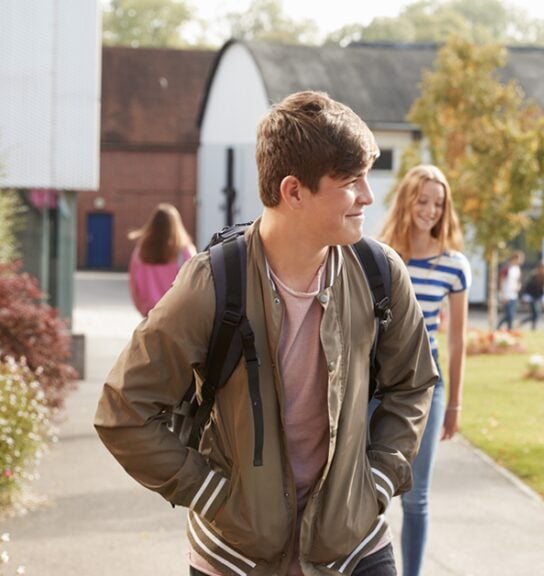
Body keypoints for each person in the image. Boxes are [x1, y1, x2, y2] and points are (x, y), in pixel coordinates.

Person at [95, 91, 438, 576]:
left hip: (352, 545)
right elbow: (122, 412)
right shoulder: (211, 284)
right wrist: (212, 493)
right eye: (351, 182)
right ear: (293, 191)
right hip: (235, 555)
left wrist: (378, 480)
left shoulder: (380, 272)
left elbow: (413, 384)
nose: (369, 195)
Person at [377, 164, 470, 576]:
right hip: (377, 386)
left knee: (415, 497)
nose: (430, 210)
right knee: (368, 490)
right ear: (407, 199)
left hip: (428, 389)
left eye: (438, 203)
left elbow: (456, 341)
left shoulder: (454, 265)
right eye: (423, 200)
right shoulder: (380, 255)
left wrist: (455, 406)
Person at [127, 203, 197, 317]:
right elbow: (194, 284)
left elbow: (134, 284)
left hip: (150, 314)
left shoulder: (140, 252)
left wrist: (143, 308)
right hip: (177, 314)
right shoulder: (185, 252)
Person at [496, 250, 524, 330]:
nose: (520, 261)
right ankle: (499, 328)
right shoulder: (507, 268)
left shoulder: (517, 269)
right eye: (519, 259)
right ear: (514, 258)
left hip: (514, 295)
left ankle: (508, 329)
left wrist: (519, 286)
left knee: (511, 315)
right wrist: (502, 295)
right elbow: (501, 281)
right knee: (509, 315)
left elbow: (518, 281)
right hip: (506, 295)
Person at [520, 260, 544, 330]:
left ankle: (532, 326)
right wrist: (525, 296)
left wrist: (543, 297)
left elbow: (542, 288)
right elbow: (529, 286)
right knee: (536, 313)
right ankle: (525, 323)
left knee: (536, 314)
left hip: (537, 296)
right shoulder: (534, 275)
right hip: (531, 296)